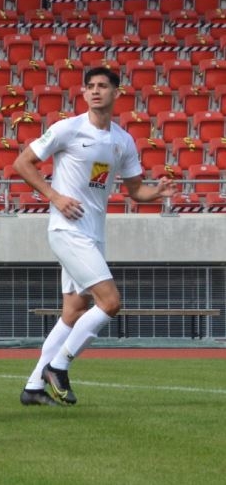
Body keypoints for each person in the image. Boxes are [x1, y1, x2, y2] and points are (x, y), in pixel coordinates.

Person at [13, 67, 175, 406]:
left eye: (103, 86)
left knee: (74, 309)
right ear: (84, 93)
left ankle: (33, 387)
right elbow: (23, 163)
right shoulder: (68, 128)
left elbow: (136, 191)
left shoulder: (122, 140)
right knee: (110, 302)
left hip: (94, 233)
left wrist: (157, 192)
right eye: (90, 86)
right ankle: (58, 366)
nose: (95, 91)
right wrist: (55, 196)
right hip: (67, 230)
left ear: (117, 92)